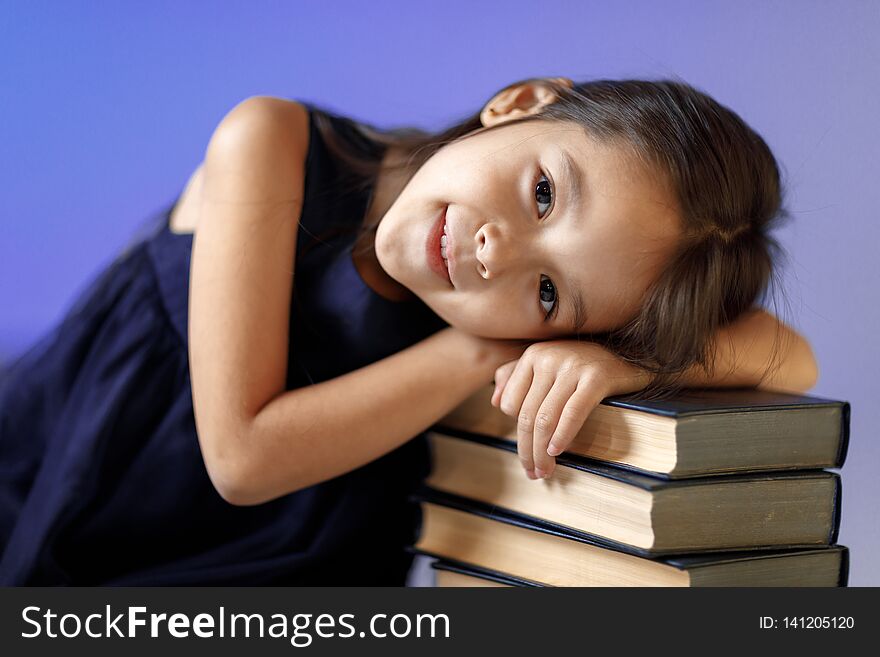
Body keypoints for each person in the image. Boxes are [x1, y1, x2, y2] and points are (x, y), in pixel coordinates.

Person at [0, 76, 818, 585]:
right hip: (67, 503)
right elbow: (242, 457)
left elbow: (793, 358)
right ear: (521, 103)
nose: (499, 254)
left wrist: (616, 360)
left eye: (546, 291)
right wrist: (491, 344)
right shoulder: (274, 141)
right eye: (543, 194)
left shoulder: (518, 305)